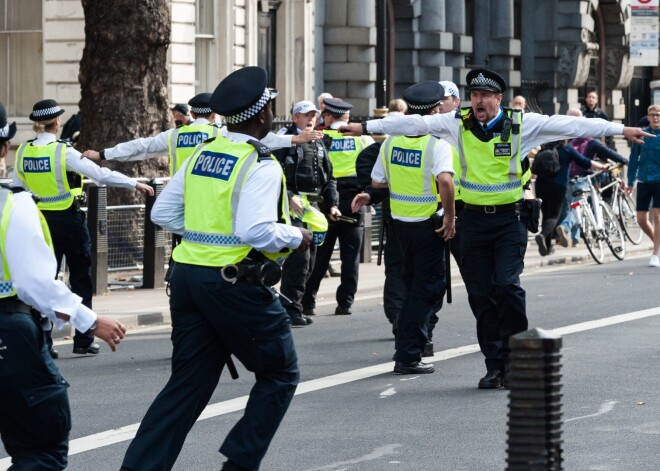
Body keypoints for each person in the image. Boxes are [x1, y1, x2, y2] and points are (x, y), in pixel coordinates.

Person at [340, 67, 652, 389]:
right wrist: (363, 126)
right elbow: (415, 122)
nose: (478, 101)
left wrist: (620, 128)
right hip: (473, 221)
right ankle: (495, 365)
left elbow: (572, 123)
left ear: (498, 99)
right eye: (474, 95)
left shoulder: (521, 124)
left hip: (510, 219)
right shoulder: (456, 123)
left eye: (485, 96)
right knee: (480, 295)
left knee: (506, 284)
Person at [119, 66, 311, 471]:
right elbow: (256, 230)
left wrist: (207, 235)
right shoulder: (259, 163)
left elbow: (165, 213)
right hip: (234, 282)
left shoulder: (205, 153)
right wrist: (298, 237)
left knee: (186, 386)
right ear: (261, 116)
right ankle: (238, 465)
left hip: (188, 277)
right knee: (280, 372)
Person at [0, 100, 127, 470]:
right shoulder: (13, 205)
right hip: (10, 330)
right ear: (3, 146)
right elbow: (33, 282)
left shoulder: (24, 168)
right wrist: (88, 320)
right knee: (40, 448)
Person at [12, 99, 153, 356]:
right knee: (80, 279)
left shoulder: (22, 151)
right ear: (57, 122)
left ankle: (44, 341)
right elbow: (100, 174)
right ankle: (84, 338)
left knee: (43, 280)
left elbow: (16, 188)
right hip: (68, 221)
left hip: (38, 222)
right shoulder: (61, 151)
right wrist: (133, 184)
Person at [353, 81, 455, 374]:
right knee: (428, 289)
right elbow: (446, 182)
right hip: (428, 227)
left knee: (412, 286)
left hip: (399, 226)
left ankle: (407, 340)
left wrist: (370, 196)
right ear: (435, 111)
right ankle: (409, 352)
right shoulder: (437, 143)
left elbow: (378, 183)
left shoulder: (391, 143)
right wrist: (449, 217)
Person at [83, 94, 320, 175]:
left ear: (193, 112)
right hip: (209, 199)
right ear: (214, 113)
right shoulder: (220, 131)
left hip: (181, 199)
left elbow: (140, 147)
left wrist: (103, 154)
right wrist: (294, 139)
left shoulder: (176, 135)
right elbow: (260, 138)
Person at [301, 98, 374, 316]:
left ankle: (308, 302)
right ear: (347, 118)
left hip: (326, 202)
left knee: (321, 254)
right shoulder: (363, 139)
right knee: (350, 257)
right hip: (354, 201)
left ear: (329, 116)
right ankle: (345, 303)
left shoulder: (322, 138)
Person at [273, 100, 341, 327]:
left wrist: (332, 204)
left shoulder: (321, 143)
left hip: (313, 208)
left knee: (311, 261)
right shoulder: (284, 141)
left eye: (314, 114)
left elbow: (330, 178)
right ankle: (289, 309)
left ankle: (295, 305)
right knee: (298, 260)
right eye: (306, 115)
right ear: (295, 118)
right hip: (291, 207)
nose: (312, 118)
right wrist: (288, 195)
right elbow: (273, 174)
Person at [556, 108, 629, 247]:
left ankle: (575, 239)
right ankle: (565, 227)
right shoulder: (592, 142)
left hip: (568, 178)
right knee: (577, 206)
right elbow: (609, 153)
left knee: (572, 206)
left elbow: (602, 155)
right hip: (583, 179)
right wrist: (625, 161)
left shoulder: (571, 141)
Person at [533, 140, 608, 256]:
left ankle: (547, 247)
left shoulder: (542, 150)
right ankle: (542, 235)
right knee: (553, 216)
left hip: (540, 185)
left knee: (546, 214)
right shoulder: (566, 149)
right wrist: (602, 166)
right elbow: (585, 162)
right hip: (558, 186)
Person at [627, 104, 660, 267]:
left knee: (658, 217)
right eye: (652, 115)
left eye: (658, 115)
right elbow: (633, 159)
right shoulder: (641, 135)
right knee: (641, 219)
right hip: (644, 180)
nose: (655, 117)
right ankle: (658, 243)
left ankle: (655, 254)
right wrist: (630, 181)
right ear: (647, 117)